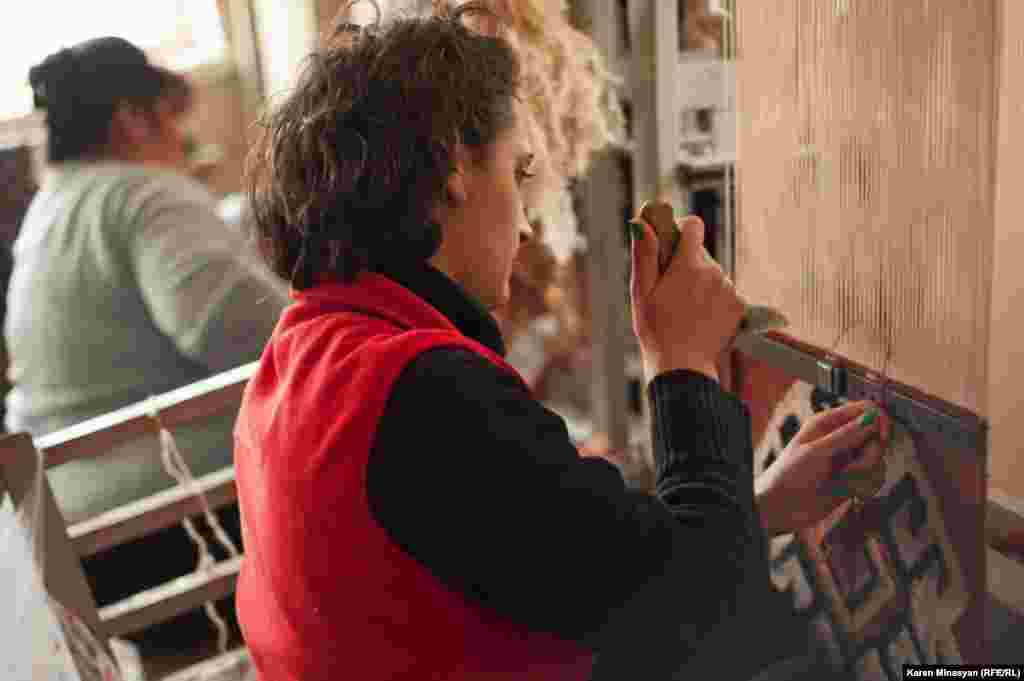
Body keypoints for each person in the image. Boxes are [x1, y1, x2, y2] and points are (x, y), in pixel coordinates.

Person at [234, 4, 891, 680]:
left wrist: (758, 512)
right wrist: (682, 362)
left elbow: (569, 572)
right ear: (452, 165)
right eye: (518, 173)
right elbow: (711, 625)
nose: (526, 229)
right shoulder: (424, 394)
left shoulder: (301, 357)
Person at [6, 37, 289, 649]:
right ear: (133, 119)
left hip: (71, 541)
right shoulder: (144, 193)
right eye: (172, 123)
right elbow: (233, 328)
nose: (182, 147)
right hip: (165, 533)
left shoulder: (50, 209)